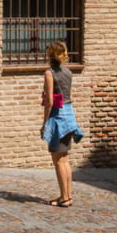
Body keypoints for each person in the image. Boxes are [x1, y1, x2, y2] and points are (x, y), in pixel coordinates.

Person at [40, 39, 84, 208]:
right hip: (69, 116)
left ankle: (64, 198)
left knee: (58, 160)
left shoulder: (49, 73)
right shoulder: (68, 72)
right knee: (64, 159)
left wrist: (45, 123)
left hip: (57, 118)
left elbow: (50, 101)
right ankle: (67, 195)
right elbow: (68, 96)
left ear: (49, 55)